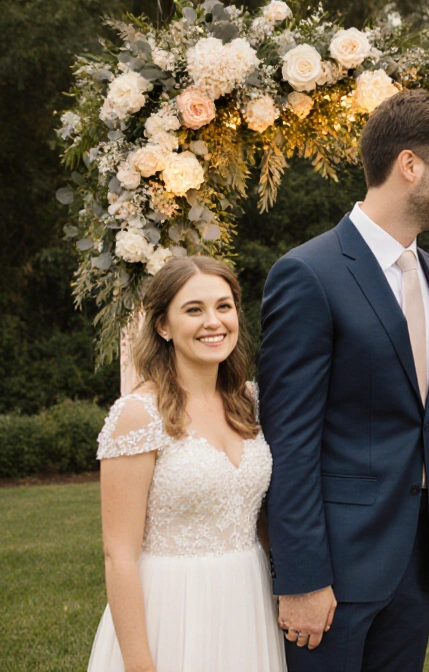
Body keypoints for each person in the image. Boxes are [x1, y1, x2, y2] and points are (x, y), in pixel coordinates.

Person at [259, 90, 429, 672]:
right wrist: (304, 578)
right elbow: (289, 441)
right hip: (334, 574)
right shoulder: (309, 274)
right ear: (410, 165)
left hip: (412, 569)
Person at [88, 256, 284, 672]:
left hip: (249, 600)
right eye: (194, 310)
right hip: (173, 610)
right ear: (163, 326)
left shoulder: (251, 402)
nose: (213, 322)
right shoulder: (138, 415)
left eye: (223, 306)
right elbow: (118, 554)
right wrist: (140, 664)